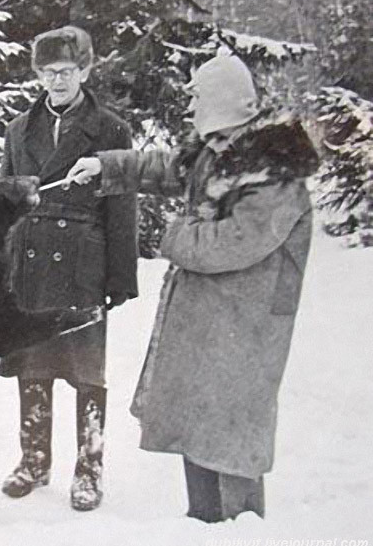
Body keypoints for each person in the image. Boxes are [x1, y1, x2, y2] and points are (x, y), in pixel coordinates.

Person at [67, 50, 319, 522]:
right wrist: (106, 166)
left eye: (197, 97)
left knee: (230, 438)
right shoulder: (220, 150)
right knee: (199, 429)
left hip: (247, 330)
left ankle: (237, 534)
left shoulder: (273, 172)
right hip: (212, 324)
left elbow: (233, 243)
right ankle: (203, 527)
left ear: (221, 103)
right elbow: (165, 167)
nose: (190, 108)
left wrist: (176, 235)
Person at [0, 25, 138, 512]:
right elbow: (7, 201)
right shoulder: (18, 129)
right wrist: (3, 267)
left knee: (85, 370)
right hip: (33, 260)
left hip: (83, 261)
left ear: (85, 70)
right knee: (32, 364)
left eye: (66, 71)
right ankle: (34, 459)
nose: (56, 81)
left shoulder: (111, 129)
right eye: (47, 72)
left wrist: (120, 276)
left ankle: (89, 468)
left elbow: (122, 206)